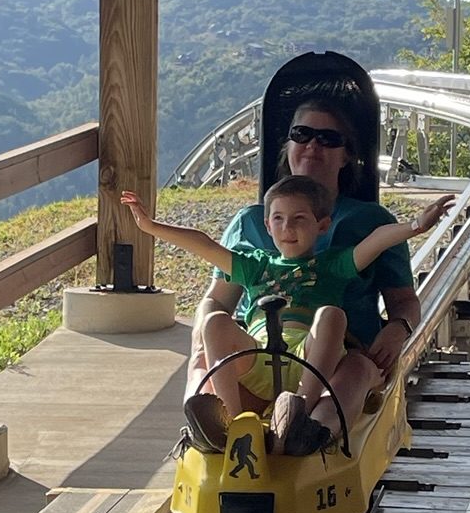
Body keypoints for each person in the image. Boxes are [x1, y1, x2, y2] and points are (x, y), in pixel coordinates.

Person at [121, 178, 452, 455]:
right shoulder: (255, 265)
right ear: (267, 225)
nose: (287, 228)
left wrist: (416, 226)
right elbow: (204, 245)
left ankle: (299, 416)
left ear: (321, 226)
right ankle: (234, 424)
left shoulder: (331, 265)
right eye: (278, 219)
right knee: (215, 323)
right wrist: (151, 226)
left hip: (309, 360)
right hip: (258, 356)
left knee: (332, 315)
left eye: (299, 219)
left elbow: (374, 243)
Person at [186, 96, 435, 448]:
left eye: (328, 138)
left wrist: (398, 329)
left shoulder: (371, 221)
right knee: (204, 353)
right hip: (259, 352)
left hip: (339, 360)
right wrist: (203, 329)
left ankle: (309, 431)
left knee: (359, 370)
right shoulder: (249, 223)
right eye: (302, 134)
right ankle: (211, 431)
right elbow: (217, 300)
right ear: (288, 143)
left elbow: (403, 300)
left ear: (347, 155)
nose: (312, 146)